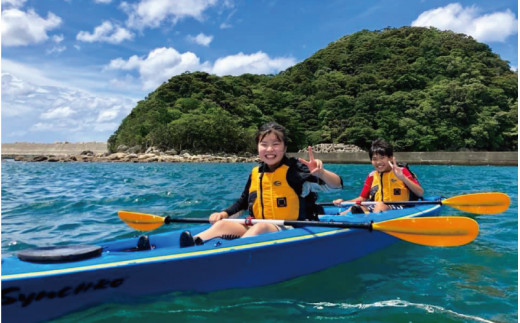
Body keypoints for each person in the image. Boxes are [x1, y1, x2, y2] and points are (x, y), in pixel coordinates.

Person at [180, 122, 343, 247]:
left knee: (261, 227)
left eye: (276, 144)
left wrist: (321, 173)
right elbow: (243, 202)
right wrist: (224, 214)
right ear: (258, 147)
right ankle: (194, 244)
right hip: (259, 225)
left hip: (293, 229)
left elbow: (337, 185)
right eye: (264, 144)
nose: (269, 149)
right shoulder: (256, 173)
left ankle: (231, 255)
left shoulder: (296, 169)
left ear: (285, 147)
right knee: (223, 224)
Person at [333, 138, 423, 213]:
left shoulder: (402, 171)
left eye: (382, 158)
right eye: (374, 159)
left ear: (391, 158)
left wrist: (402, 177)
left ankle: (372, 228)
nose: (379, 162)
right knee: (356, 207)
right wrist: (344, 202)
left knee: (380, 205)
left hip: (401, 208)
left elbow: (420, 192)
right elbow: (362, 198)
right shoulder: (372, 176)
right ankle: (334, 221)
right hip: (377, 207)